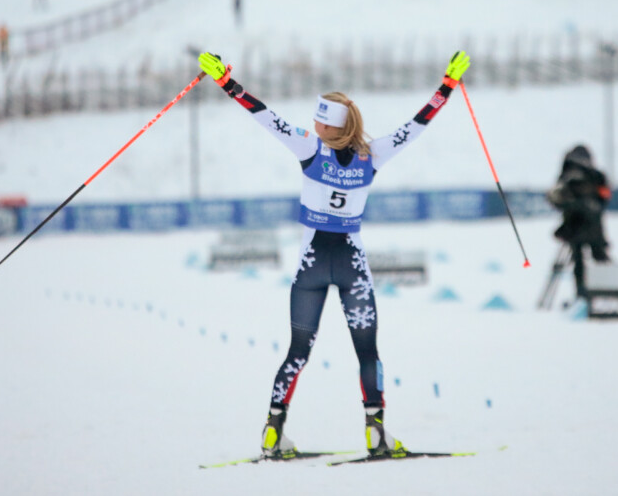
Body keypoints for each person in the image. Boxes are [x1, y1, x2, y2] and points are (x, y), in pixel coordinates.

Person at [197, 50, 470, 458]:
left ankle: (273, 431)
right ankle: (375, 433)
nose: (313, 123)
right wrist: (447, 86)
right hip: (351, 265)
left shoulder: (309, 148)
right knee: (367, 351)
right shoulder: (372, 155)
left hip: (310, 266)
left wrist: (226, 83)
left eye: (320, 119)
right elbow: (417, 126)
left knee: (297, 351)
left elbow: (264, 115)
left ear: (331, 125)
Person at [546, 144, 611, 300]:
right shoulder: (585, 176)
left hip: (578, 227)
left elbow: (603, 198)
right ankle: (600, 293)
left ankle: (589, 294)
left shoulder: (571, 177)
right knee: (593, 259)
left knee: (585, 261)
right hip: (584, 227)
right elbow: (604, 199)